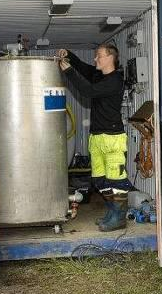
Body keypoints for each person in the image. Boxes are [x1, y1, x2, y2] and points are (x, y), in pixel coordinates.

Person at [57, 44, 135, 232]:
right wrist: (70, 54)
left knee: (116, 180)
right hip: (97, 137)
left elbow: (89, 91)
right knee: (100, 179)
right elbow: (84, 68)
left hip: (112, 137)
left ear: (110, 58)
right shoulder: (100, 75)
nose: (95, 59)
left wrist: (68, 72)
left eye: (99, 56)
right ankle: (111, 212)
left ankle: (119, 217)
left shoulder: (115, 80)